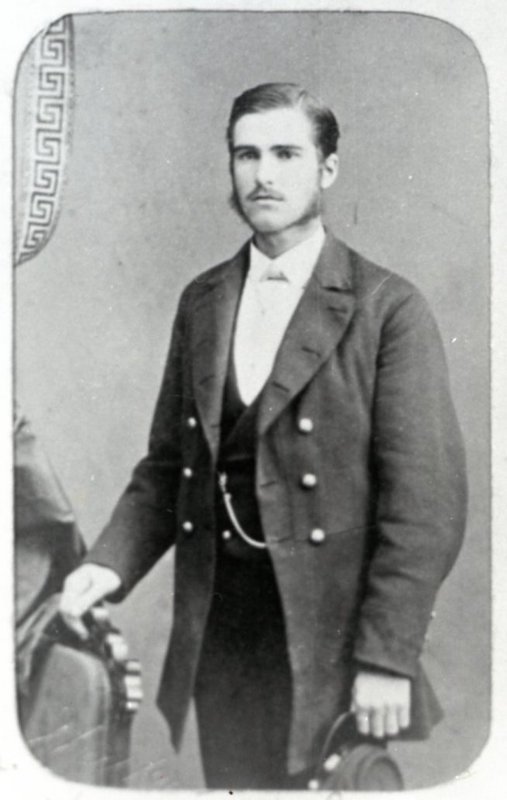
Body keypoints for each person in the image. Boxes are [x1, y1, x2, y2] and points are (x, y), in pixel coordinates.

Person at [59, 82, 467, 790]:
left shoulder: (386, 307)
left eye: (285, 153)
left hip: (327, 637)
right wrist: (109, 564)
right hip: (222, 627)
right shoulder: (204, 299)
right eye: (246, 155)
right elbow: (167, 467)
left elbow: (424, 506)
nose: (264, 174)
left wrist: (386, 658)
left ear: (327, 169)